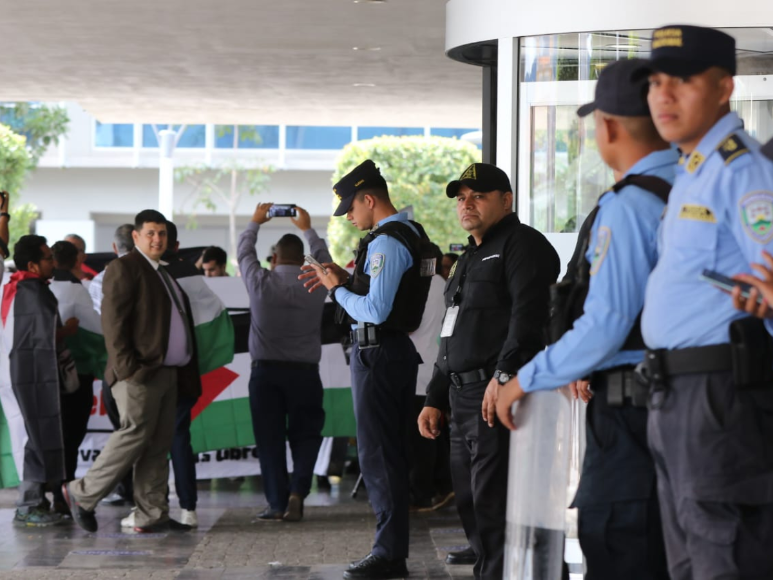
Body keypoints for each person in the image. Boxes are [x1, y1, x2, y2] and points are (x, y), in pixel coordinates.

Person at [495, 59, 676, 579]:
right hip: (698, 412)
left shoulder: (628, 205)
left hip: (632, 415)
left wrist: (523, 380)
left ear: (610, 127)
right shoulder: (703, 189)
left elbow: (606, 323)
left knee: (621, 544)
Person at [635, 25, 773, 579]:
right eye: (656, 81)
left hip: (720, 394)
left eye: (684, 81)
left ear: (724, 88)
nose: (663, 96)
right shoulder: (694, 171)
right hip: (676, 391)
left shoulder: (743, 170)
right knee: (690, 561)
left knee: (724, 556)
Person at [417, 163, 560, 580]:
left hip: (497, 396)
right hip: (461, 399)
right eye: (461, 198)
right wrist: (434, 397)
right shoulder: (468, 257)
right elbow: (451, 332)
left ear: (506, 200)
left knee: (498, 507)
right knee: (472, 505)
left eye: (477, 196)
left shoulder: (523, 245)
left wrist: (503, 378)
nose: (467, 204)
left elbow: (527, 319)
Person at [300, 159, 432, 580]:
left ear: (369, 199)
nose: (351, 219)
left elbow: (375, 310)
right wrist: (347, 280)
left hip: (379, 356)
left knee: (379, 456)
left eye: (352, 210)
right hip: (389, 355)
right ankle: (390, 549)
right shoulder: (406, 234)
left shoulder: (387, 242)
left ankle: (389, 553)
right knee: (386, 453)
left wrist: (337, 289)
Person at [62, 209, 201, 534]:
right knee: (135, 433)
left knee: (158, 443)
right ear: (136, 236)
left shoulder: (161, 271)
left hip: (167, 372)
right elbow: (113, 322)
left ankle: (151, 514)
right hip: (138, 373)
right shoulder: (125, 267)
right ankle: (81, 493)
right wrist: (129, 369)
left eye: (162, 233)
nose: (157, 239)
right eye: (151, 233)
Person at [119, 221, 217, 529]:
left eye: (159, 235)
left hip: (158, 370)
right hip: (184, 367)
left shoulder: (149, 272)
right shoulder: (188, 274)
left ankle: (148, 508)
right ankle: (183, 507)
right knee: (175, 437)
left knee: (147, 440)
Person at [238, 204, 330, 522]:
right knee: (306, 435)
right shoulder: (317, 283)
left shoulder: (260, 282)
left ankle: (277, 503)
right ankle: (298, 492)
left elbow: (244, 253)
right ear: (304, 258)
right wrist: (308, 228)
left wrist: (255, 222)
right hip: (305, 375)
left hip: (265, 374)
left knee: (270, 439)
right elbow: (327, 261)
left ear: (274, 258)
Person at [0, 235, 78, 526]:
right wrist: (68, 330)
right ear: (32, 264)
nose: (53, 262)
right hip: (29, 377)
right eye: (47, 258)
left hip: (15, 375)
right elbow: (41, 338)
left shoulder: (12, 286)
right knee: (34, 437)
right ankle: (29, 504)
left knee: (30, 436)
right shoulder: (32, 290)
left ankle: (37, 501)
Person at [49, 240, 105, 516]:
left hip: (44, 374)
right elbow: (98, 333)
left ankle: (44, 493)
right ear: (77, 260)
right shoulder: (75, 291)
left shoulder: (41, 287)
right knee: (71, 435)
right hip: (76, 375)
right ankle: (64, 490)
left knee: (49, 434)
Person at [89, 224, 135, 507]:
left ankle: (110, 489)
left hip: (116, 365)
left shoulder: (100, 280)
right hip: (148, 366)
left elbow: (100, 326)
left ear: (115, 248)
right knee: (139, 432)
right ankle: (136, 493)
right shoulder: (157, 275)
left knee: (124, 430)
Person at [408, 243, 453, 512]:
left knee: (420, 439)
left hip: (418, 369)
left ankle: (422, 494)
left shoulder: (422, 286)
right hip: (437, 367)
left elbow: (409, 324)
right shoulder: (445, 284)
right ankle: (441, 486)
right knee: (436, 435)